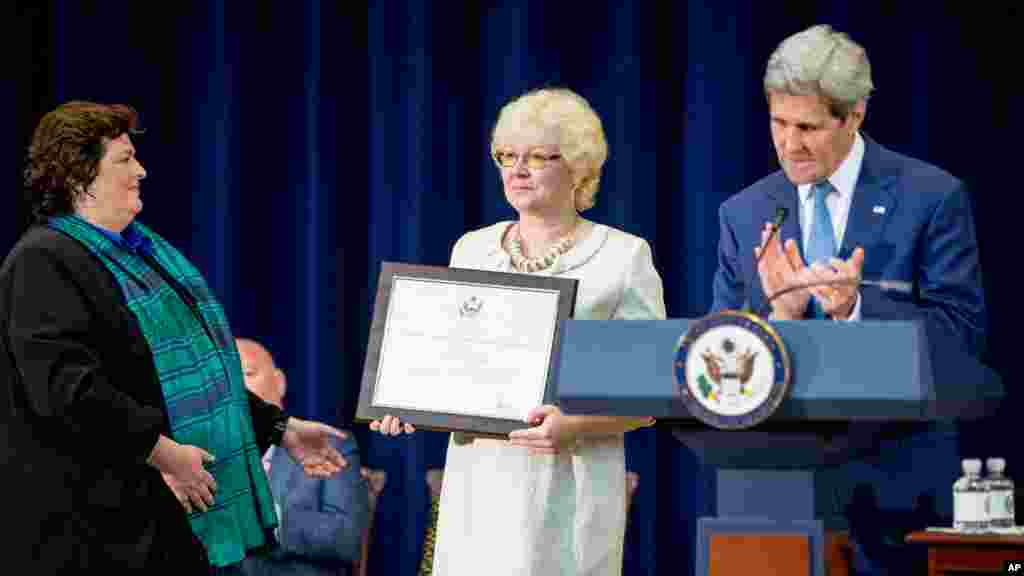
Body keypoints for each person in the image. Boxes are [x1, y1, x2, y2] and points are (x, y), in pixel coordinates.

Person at [0, 101, 348, 574]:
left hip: (162, 526)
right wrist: (163, 452)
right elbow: (68, 391)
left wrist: (280, 429)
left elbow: (203, 379)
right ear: (79, 177)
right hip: (87, 534)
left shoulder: (147, 258)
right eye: (124, 160)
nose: (141, 170)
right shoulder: (43, 261)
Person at [371, 87, 665, 575]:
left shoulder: (622, 257)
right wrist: (402, 402)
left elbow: (649, 396)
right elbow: (447, 364)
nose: (516, 170)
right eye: (506, 156)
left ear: (579, 165)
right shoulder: (471, 249)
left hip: (568, 482)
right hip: (478, 482)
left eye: (536, 157)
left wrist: (575, 425)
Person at [710, 24, 986, 358]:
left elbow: (963, 337)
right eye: (779, 123)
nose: (790, 144)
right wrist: (781, 318)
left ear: (855, 115)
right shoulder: (743, 214)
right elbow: (720, 350)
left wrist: (856, 308)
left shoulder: (932, 199)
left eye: (807, 127)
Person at [236, 338, 368, 576]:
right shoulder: (195, 456)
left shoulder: (329, 445)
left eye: (246, 373)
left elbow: (347, 539)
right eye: (225, 379)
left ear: (279, 382)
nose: (237, 387)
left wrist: (270, 520)